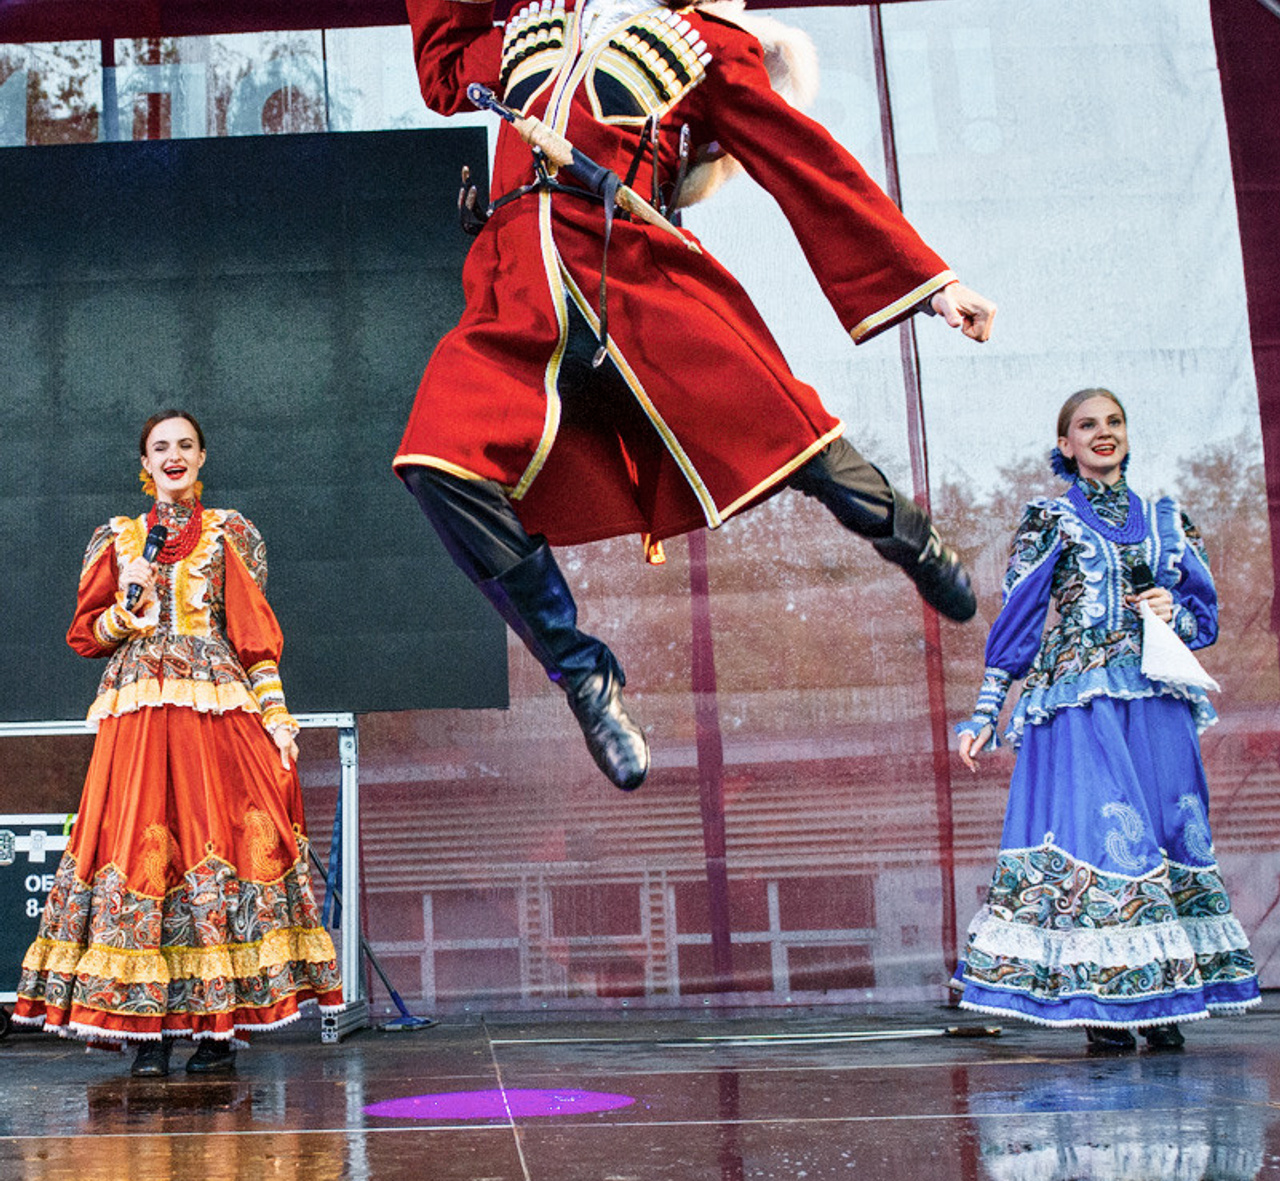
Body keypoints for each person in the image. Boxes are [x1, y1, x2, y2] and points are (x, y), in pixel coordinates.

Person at [393, 0, 997, 791]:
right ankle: (583, 674)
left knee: (786, 433)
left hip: (637, 274)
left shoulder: (702, 42)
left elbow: (804, 161)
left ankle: (906, 535)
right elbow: (443, 70)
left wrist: (930, 283)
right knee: (435, 459)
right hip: (515, 291)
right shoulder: (525, 27)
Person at [13, 411, 342, 1077]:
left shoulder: (230, 533)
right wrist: (124, 609)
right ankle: (145, 1031)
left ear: (201, 457)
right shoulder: (116, 539)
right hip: (138, 713)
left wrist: (277, 718)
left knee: (214, 845)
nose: (174, 455)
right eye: (161, 446)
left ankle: (217, 1033)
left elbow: (252, 635)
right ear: (144, 462)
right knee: (140, 851)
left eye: (185, 445)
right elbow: (85, 635)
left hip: (213, 708)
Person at [953, 388, 1260, 1052]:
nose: (1103, 432)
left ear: (1126, 435)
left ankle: (1165, 994)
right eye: (1086, 425)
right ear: (1065, 446)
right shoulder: (1050, 519)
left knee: (1163, 833)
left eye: (1113, 422)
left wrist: (1170, 608)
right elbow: (1020, 621)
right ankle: (1102, 1003)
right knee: (1103, 837)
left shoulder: (1166, 519)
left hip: (1154, 700)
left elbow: (1204, 616)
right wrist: (984, 711)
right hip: (1079, 701)